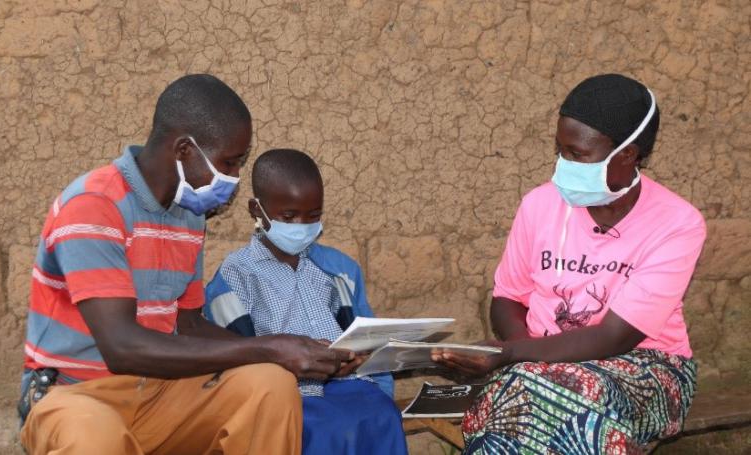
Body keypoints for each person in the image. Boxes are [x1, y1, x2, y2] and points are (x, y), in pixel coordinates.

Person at [19, 74, 353, 455]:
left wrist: (301, 353)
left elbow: (189, 324)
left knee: (270, 386)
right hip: (75, 395)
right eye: (229, 162)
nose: (235, 178)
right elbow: (121, 347)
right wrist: (269, 349)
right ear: (184, 150)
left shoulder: (188, 216)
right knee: (96, 438)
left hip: (159, 391)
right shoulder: (95, 205)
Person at [433, 74, 706, 454]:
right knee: (535, 395)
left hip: (648, 367)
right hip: (537, 365)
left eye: (578, 155)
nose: (565, 164)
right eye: (560, 150)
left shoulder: (677, 222)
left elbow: (616, 337)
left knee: (550, 395)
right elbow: (507, 299)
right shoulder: (540, 205)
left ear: (627, 154)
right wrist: (529, 356)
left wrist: (513, 357)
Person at [203, 148, 408, 455]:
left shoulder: (340, 269)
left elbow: (368, 342)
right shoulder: (235, 277)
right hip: (286, 397)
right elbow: (234, 359)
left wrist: (360, 362)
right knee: (322, 427)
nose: (301, 226)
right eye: (289, 216)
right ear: (256, 209)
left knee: (381, 413)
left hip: (350, 389)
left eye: (313, 216)